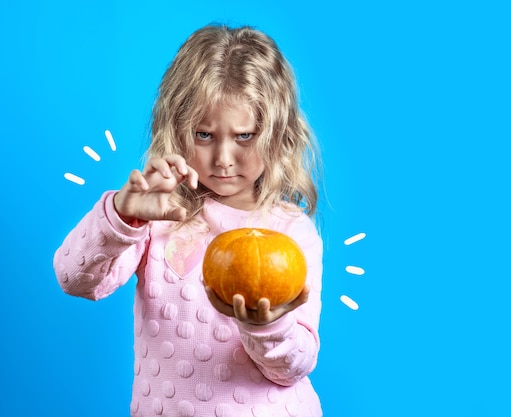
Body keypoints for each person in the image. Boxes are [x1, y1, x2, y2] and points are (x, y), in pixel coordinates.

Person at [53, 24, 323, 417]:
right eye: (204, 134)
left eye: (244, 136)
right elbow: (73, 278)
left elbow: (293, 368)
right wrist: (122, 215)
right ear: (177, 129)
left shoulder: (292, 232)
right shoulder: (157, 213)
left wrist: (268, 327)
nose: (223, 158)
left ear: (277, 134)